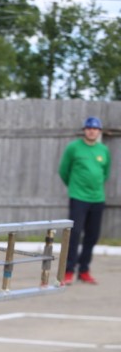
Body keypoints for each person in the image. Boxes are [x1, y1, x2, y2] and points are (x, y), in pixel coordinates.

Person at [58, 116, 111, 285]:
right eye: (89, 128)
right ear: (84, 130)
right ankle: (68, 271)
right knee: (74, 234)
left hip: (97, 198)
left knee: (92, 236)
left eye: (95, 128)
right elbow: (63, 171)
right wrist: (74, 187)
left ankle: (84, 270)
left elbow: (106, 173)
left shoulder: (103, 150)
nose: (91, 131)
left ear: (99, 131)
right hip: (78, 197)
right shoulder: (73, 148)